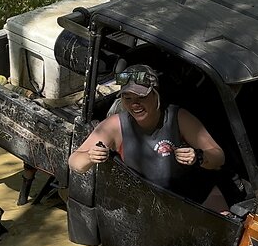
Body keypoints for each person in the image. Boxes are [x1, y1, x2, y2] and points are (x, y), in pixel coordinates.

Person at [67, 65, 228, 210]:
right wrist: (90, 156)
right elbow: (74, 162)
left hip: (191, 195)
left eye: (141, 97)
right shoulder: (115, 125)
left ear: (156, 94)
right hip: (148, 203)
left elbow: (218, 156)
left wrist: (199, 156)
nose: (134, 104)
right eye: (128, 98)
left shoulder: (178, 117)